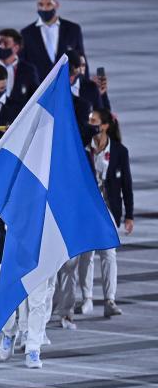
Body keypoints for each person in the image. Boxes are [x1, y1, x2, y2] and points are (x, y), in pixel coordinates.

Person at [76, 109, 133, 318]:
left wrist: (129, 215)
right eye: (89, 120)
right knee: (86, 254)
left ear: (105, 125)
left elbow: (127, 185)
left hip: (108, 208)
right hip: (86, 209)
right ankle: (87, 298)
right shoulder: (83, 149)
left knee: (109, 254)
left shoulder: (119, 151)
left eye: (94, 121)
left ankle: (110, 299)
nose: (90, 124)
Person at [19, 0, 86, 81]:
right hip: (39, 90)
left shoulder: (73, 29)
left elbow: (82, 61)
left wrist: (86, 87)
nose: (44, 8)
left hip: (67, 87)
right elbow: (22, 66)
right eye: (41, 5)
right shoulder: (26, 34)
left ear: (56, 5)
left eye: (48, 4)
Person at [0, 28, 39, 100]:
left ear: (16, 48)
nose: (1, 46)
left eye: (5, 43)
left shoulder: (28, 70)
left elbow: (35, 96)